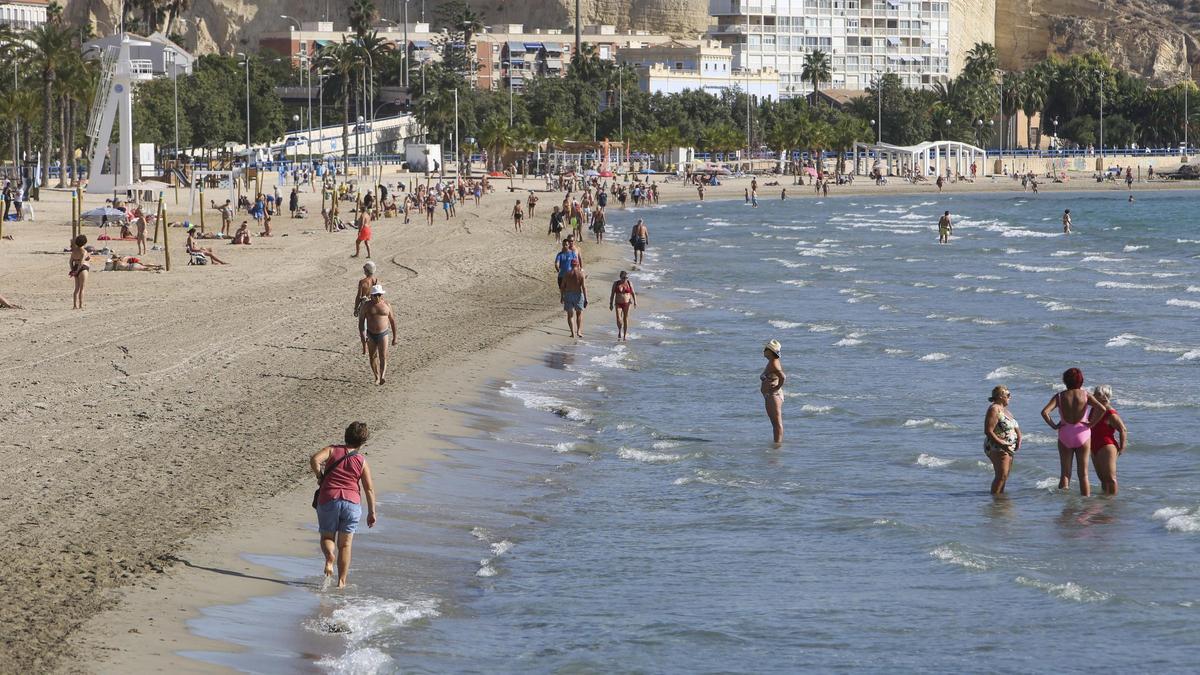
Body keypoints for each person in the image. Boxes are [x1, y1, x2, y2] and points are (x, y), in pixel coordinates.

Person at [309, 421, 377, 589]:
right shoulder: (361, 461)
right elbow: (369, 489)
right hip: (351, 503)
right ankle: (341, 582)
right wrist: (372, 512)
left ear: (346, 434)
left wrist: (320, 476)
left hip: (329, 498)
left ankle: (329, 557)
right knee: (345, 545)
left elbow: (314, 459)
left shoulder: (332, 450)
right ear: (363, 441)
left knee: (327, 537)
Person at [1040, 368, 1111, 496]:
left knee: (1065, 474)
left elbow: (1044, 412)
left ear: (1065, 380)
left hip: (1065, 434)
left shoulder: (1060, 396)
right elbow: (1102, 408)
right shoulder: (1085, 395)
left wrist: (1054, 426)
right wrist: (1092, 424)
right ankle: (1085, 505)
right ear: (1081, 381)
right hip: (1082, 433)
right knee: (1083, 474)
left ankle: (1065, 507)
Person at [1090, 385, 1128, 495]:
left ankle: (1112, 502)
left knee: (1110, 478)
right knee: (1102, 478)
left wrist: (1122, 447)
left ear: (1104, 396)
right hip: (1094, 446)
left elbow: (1123, 429)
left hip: (1106, 446)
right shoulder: (1094, 409)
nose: (1093, 396)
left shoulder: (1110, 412)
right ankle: (1105, 501)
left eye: (1096, 394)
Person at [983, 385, 1021, 495]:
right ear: (1000, 396)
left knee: (1005, 476)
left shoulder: (1006, 411)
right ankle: (995, 502)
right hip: (997, 446)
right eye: (1008, 395)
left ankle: (1000, 499)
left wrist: (1019, 438)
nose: (1010, 397)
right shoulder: (994, 409)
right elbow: (988, 430)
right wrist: (1002, 443)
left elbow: (1015, 426)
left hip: (1008, 447)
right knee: (1001, 475)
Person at [358, 284, 396, 385]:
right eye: (375, 295)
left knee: (383, 355)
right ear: (372, 296)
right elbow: (361, 321)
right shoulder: (367, 306)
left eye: (379, 295)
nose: (377, 297)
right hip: (370, 334)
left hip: (383, 334)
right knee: (372, 356)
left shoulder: (387, 305)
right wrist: (363, 335)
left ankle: (383, 375)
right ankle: (377, 376)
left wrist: (395, 337)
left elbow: (392, 321)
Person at [761, 339, 786, 445]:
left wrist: (776, 388)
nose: (763, 351)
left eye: (766, 349)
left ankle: (777, 446)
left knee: (776, 423)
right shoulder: (772, 362)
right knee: (774, 423)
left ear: (770, 352)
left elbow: (783, 377)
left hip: (773, 396)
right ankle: (776, 444)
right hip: (770, 395)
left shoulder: (774, 364)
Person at [560, 258, 587, 338]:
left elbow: (562, 286)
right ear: (578, 264)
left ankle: (572, 332)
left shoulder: (567, 273)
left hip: (568, 294)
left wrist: (562, 296)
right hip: (578, 294)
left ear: (571, 265)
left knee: (570, 315)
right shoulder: (581, 274)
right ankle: (579, 331)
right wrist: (586, 298)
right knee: (579, 313)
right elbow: (584, 287)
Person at [608, 271, 637, 341]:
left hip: (627, 303)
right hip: (618, 303)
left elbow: (633, 293)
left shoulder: (629, 283)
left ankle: (624, 335)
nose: (625, 279)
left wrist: (635, 302)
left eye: (626, 278)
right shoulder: (616, 283)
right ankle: (619, 330)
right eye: (623, 278)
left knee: (625, 318)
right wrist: (611, 304)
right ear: (620, 277)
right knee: (618, 318)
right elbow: (612, 294)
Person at [68, 234, 90, 310]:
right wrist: (77, 271)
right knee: (82, 288)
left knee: (76, 288)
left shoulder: (74, 251)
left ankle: (74, 305)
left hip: (75, 267)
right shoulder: (84, 251)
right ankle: (81, 305)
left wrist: (73, 270)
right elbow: (81, 262)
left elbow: (70, 261)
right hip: (83, 268)